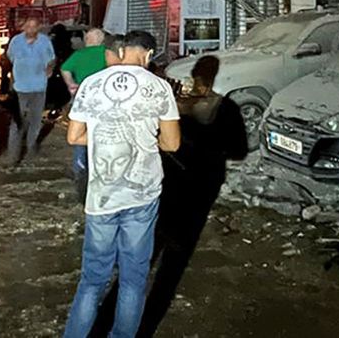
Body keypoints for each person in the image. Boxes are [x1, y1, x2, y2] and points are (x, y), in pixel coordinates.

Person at [63, 30, 180, 338]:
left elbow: (74, 136)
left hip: (102, 197)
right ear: (149, 54)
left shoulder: (92, 84)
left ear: (121, 50)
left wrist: (105, 136)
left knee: (91, 281)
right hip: (142, 194)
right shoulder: (159, 87)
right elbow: (172, 144)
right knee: (133, 279)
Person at [139, 54, 248, 337]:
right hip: (201, 193)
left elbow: (158, 140)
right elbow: (240, 151)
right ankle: (147, 326)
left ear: (194, 76)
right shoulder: (228, 109)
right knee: (172, 267)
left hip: (169, 189)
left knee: (143, 258)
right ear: (215, 77)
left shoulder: (179, 107)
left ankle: (114, 318)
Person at [61, 28, 110, 197]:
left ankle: (79, 168)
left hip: (82, 99)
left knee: (79, 134)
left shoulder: (78, 55)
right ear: (101, 40)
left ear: (87, 39)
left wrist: (71, 85)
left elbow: (64, 69)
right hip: (104, 101)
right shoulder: (107, 53)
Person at [1, 17, 55, 165]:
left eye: (34, 26)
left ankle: (31, 151)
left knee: (35, 121)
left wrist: (49, 68)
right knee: (17, 121)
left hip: (39, 87)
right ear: (23, 27)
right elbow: (10, 58)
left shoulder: (44, 41)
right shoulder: (16, 42)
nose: (31, 29)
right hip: (20, 88)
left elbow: (51, 59)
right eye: (28, 26)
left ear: (39, 27)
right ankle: (13, 155)